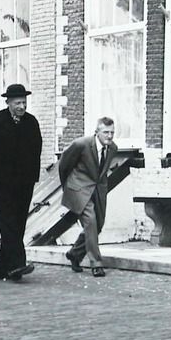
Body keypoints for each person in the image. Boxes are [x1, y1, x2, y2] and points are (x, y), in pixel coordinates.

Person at [0, 84, 43, 281]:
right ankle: (18, 264)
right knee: (7, 222)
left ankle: (2, 269)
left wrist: (33, 177)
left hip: (24, 183)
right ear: (8, 102)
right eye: (17, 103)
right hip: (2, 183)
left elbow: (36, 150)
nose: (22, 106)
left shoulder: (31, 123)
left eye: (24, 103)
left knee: (17, 223)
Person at [58, 117, 117, 278]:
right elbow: (64, 165)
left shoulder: (113, 149)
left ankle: (74, 254)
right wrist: (69, 187)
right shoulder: (81, 144)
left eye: (112, 132)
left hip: (98, 191)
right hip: (79, 189)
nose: (109, 136)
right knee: (90, 221)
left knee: (98, 225)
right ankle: (96, 264)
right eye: (106, 132)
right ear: (96, 132)